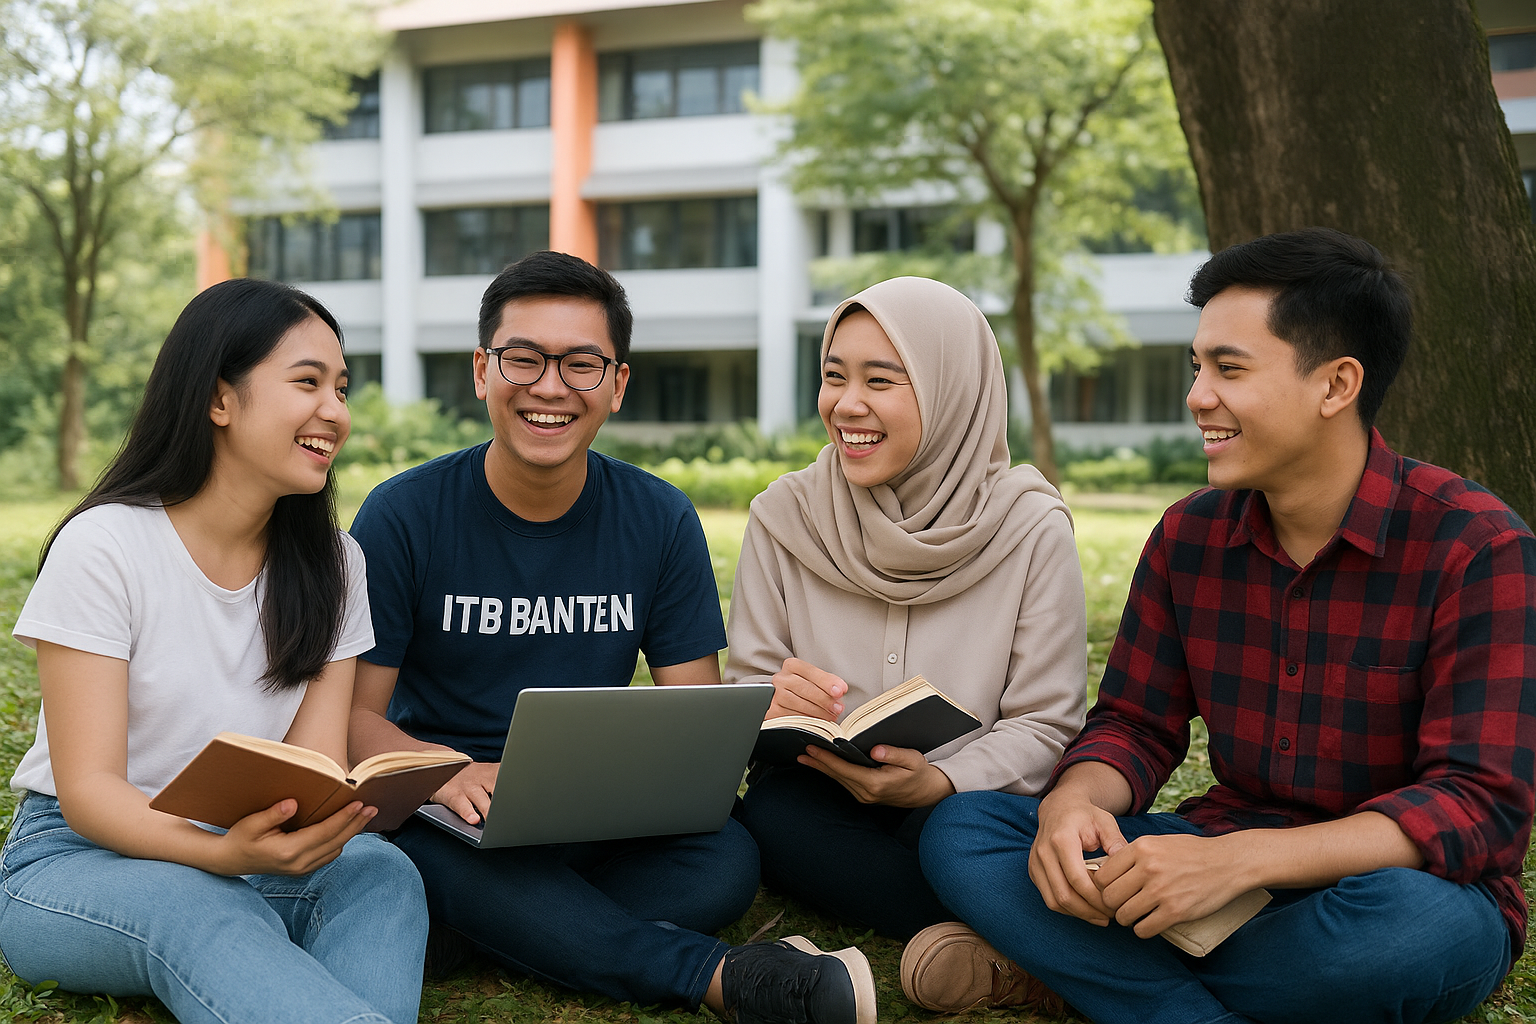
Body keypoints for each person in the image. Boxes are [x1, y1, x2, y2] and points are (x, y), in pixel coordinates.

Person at [918, 228, 1536, 1024]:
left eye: (1229, 369)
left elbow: (1478, 802)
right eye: (1197, 367)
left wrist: (1241, 862)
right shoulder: (1190, 536)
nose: (1197, 396)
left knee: (1411, 935)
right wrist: (1071, 804)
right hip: (1208, 865)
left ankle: (1079, 977)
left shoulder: (1477, 548)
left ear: (1336, 384)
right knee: (966, 829)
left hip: (1391, 889)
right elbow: (1134, 725)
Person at [347, 250, 876, 1024]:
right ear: (482, 371)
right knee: (419, 858)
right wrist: (445, 772)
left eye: (581, 364)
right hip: (450, 816)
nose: (549, 387)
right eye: (523, 358)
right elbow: (355, 721)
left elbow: (692, 720)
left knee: (724, 859)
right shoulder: (402, 515)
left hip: (590, 819)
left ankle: (494, 926)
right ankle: (714, 976)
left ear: (617, 384)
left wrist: (758, 715)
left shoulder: (660, 518)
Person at [0, 278, 428, 1024]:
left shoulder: (336, 564)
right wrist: (220, 857)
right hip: (76, 859)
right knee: (201, 901)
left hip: (245, 845)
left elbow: (311, 769)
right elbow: (89, 790)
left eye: (341, 388)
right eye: (307, 382)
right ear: (219, 399)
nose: (336, 411)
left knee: (381, 875)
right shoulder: (105, 545)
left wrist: (306, 827)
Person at [725, 276, 1087, 943]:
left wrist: (942, 780)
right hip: (822, 790)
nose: (846, 405)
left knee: (958, 834)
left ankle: (971, 909)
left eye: (881, 381)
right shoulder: (784, 515)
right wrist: (770, 698)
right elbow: (747, 685)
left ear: (952, 391)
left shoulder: (1030, 527)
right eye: (834, 376)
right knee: (772, 821)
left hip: (964, 799)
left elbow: (1045, 723)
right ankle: (996, 923)